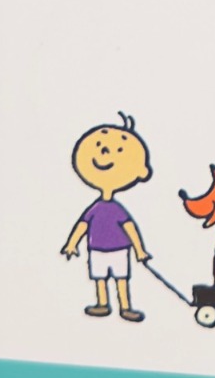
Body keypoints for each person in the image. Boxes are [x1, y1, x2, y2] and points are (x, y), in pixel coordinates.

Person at [60, 112, 153, 321]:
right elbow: (82, 226)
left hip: (119, 249)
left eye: (118, 151)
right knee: (99, 278)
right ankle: (103, 304)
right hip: (96, 249)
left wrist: (139, 250)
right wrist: (71, 244)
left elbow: (129, 228)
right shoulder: (95, 208)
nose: (104, 153)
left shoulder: (116, 210)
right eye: (100, 146)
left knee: (121, 279)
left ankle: (125, 306)